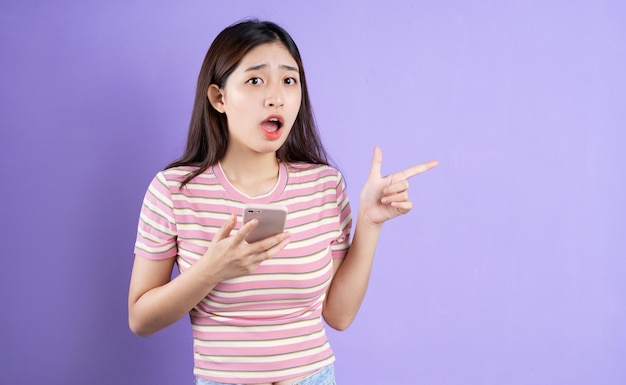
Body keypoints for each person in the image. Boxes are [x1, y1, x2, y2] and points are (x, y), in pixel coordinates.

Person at [128, 19, 438, 385]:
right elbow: (140, 320)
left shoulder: (324, 185)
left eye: (289, 80)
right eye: (255, 80)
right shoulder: (174, 192)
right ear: (219, 98)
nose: (276, 96)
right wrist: (211, 269)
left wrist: (370, 223)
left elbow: (338, 316)